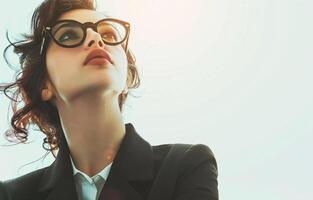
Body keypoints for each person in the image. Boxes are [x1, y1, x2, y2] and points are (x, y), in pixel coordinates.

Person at [0, 0, 219, 200]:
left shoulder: (186, 166)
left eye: (109, 35)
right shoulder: (12, 195)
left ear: (127, 77)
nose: (95, 38)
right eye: (68, 35)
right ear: (44, 85)